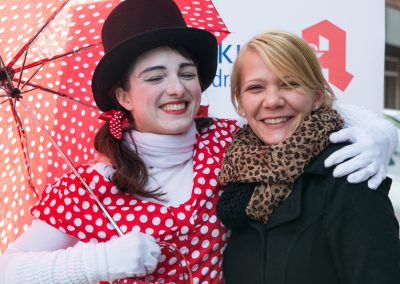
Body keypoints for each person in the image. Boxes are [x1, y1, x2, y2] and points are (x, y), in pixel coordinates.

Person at [0, 0, 397, 283]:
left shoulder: (230, 144)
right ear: (123, 97)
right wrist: (96, 261)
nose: (176, 89)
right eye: (154, 77)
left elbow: (293, 113)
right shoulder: (89, 189)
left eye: (186, 72)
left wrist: (379, 130)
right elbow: (9, 270)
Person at [216, 30, 400, 284]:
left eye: (289, 84)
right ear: (240, 102)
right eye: (256, 88)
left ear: (316, 96)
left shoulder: (348, 172)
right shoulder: (239, 180)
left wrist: (385, 132)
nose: (272, 101)